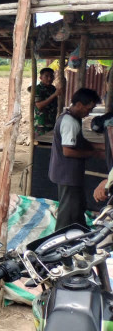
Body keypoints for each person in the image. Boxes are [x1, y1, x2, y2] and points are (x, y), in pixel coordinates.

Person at [49, 87, 105, 231]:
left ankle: (80, 231)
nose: (89, 113)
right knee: (67, 211)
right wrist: (93, 153)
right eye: (88, 108)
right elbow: (68, 151)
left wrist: (102, 146)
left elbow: (80, 141)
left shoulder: (73, 118)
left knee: (78, 205)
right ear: (79, 104)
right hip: (67, 174)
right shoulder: (70, 123)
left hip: (70, 174)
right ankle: (59, 238)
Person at [30, 67, 61, 135]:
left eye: (51, 76)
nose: (49, 78)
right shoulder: (38, 89)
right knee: (41, 143)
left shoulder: (53, 88)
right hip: (41, 125)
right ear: (41, 78)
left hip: (52, 123)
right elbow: (39, 106)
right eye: (46, 76)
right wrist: (54, 95)